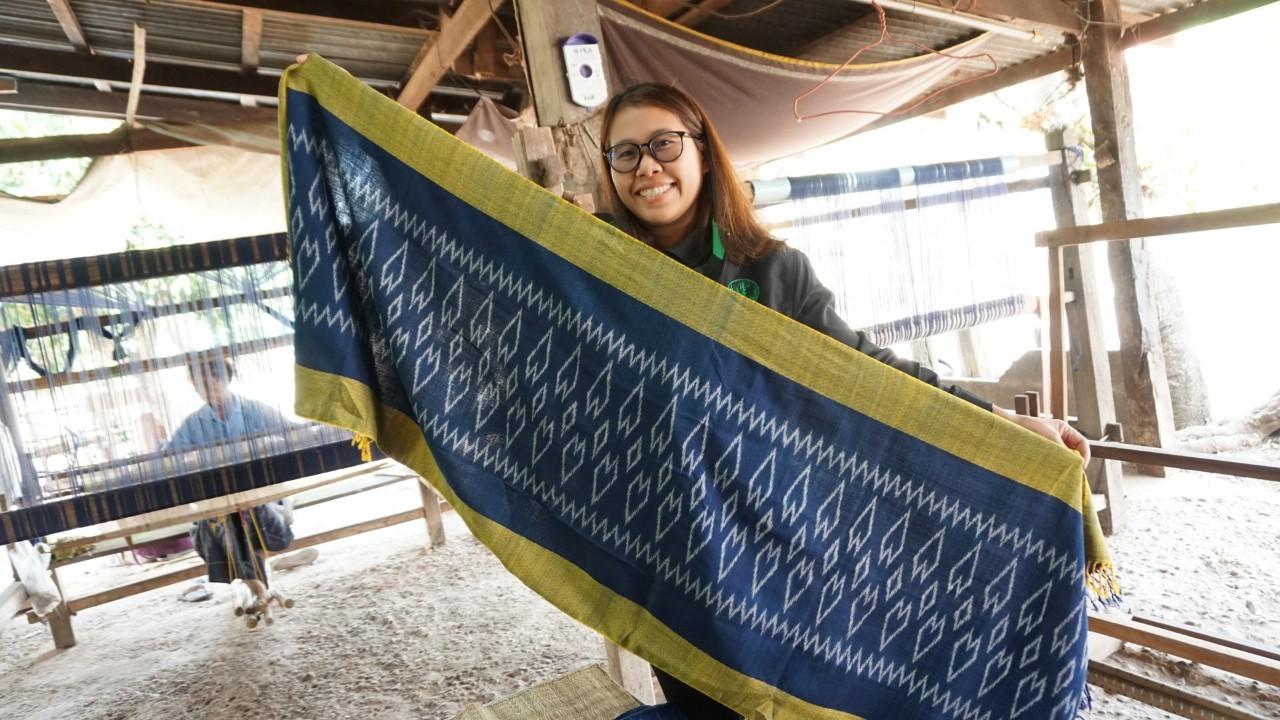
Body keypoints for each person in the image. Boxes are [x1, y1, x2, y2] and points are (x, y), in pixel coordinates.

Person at [597, 83, 1090, 718]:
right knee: (705, 702)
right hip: (666, 540)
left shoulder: (772, 270)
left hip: (769, 529)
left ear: (703, 153)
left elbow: (869, 374)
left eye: (664, 144)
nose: (647, 167)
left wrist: (1002, 423)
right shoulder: (592, 270)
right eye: (626, 153)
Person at [161, 355, 306, 602]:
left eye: (210, 384)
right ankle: (258, 586)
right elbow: (168, 459)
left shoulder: (255, 410)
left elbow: (293, 434)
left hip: (261, 495)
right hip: (219, 500)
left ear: (224, 380)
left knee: (243, 512)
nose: (205, 391)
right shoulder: (194, 423)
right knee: (226, 515)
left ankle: (254, 586)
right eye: (199, 386)